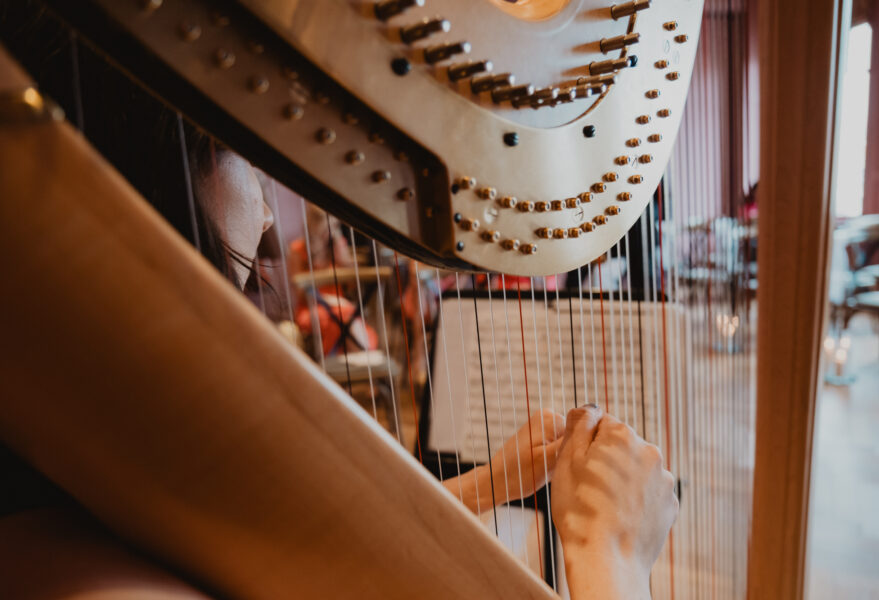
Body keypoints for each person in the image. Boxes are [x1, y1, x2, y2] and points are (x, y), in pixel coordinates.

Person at [0, 11, 677, 600]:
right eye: (242, 153)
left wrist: (489, 483)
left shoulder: (70, 468)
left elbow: (292, 557)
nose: (268, 211)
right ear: (151, 168)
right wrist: (614, 561)